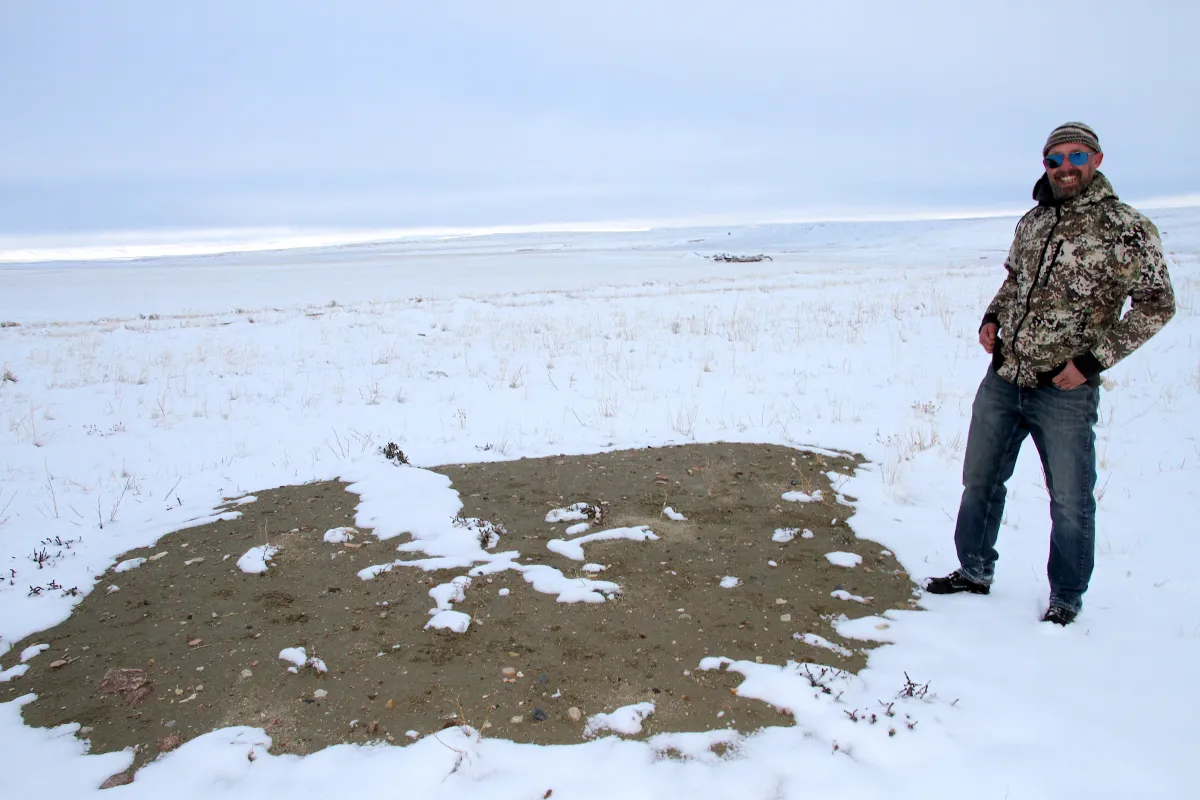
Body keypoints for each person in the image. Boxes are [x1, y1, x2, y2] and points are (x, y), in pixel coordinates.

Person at [925, 122, 1176, 625]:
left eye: (1076, 157)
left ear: (1096, 161)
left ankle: (1066, 596)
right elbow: (1015, 282)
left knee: (1070, 500)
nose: (1065, 168)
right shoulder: (1033, 222)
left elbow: (1157, 305)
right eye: (1055, 159)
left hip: (1062, 391)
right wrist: (992, 319)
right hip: (1003, 380)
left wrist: (1090, 364)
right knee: (979, 480)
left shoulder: (1125, 227)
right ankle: (973, 569)